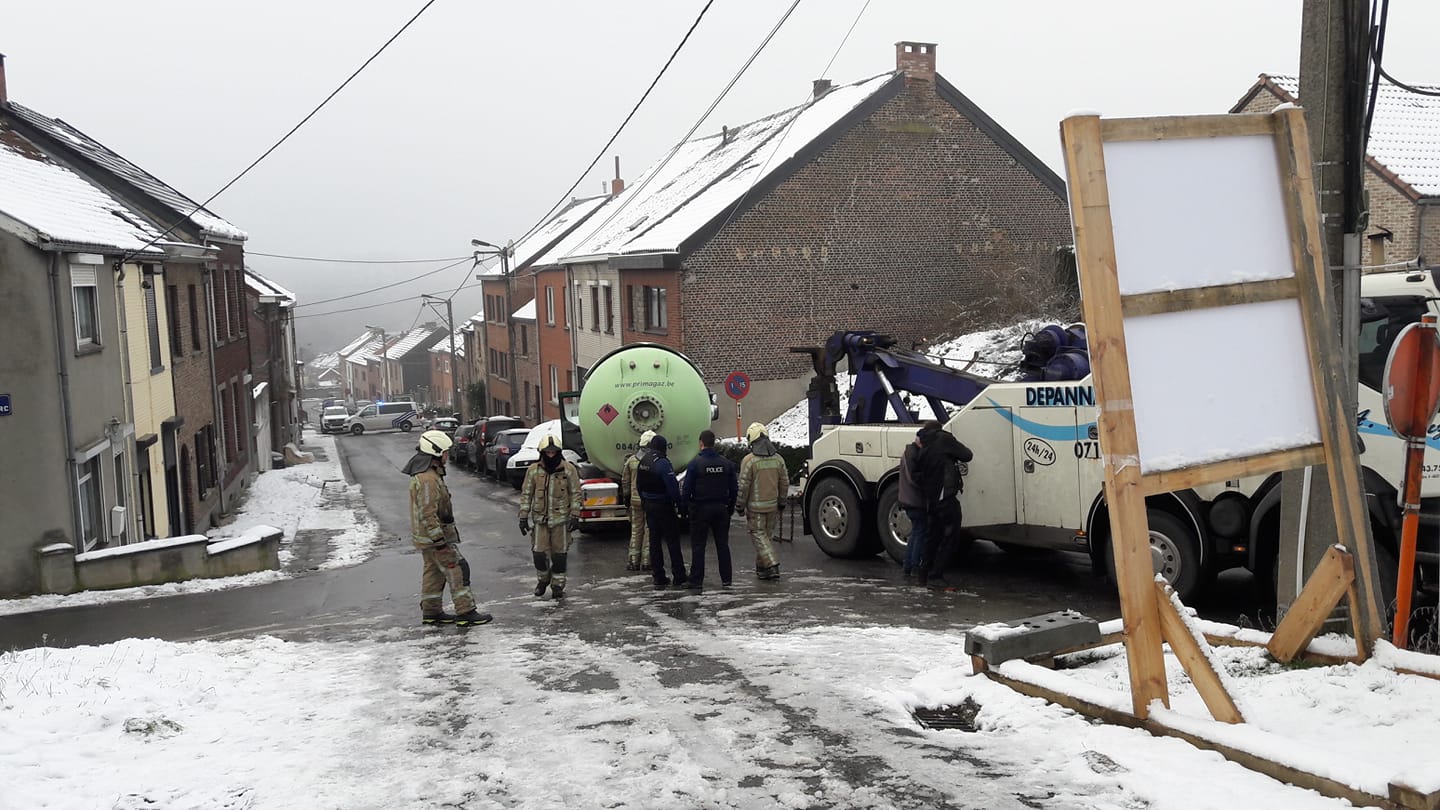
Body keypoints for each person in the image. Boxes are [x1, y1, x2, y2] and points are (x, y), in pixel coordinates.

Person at [405, 430, 492, 626]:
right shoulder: (428, 479)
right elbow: (427, 512)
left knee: (433, 573)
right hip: (436, 537)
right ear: (435, 453)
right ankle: (465, 612)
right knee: (457, 568)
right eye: (444, 452)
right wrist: (439, 541)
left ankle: (431, 612)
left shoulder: (427, 474)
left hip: (426, 538)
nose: (447, 456)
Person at [519, 434, 582, 599]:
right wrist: (523, 516)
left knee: (559, 555)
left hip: (561, 520)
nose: (551, 455)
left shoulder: (569, 470)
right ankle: (543, 580)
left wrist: (575, 515)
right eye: (548, 452)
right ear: (542, 452)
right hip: (540, 520)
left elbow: (576, 493)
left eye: (554, 452)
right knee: (538, 554)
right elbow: (526, 494)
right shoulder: (533, 471)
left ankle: (557, 585)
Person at [915, 419, 974, 589]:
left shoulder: (923, 444)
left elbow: (917, 473)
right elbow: (967, 455)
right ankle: (936, 576)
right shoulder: (944, 439)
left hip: (931, 499)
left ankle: (923, 575)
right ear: (939, 428)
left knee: (931, 536)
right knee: (951, 537)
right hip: (945, 497)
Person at [682, 429, 738, 590]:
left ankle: (696, 580)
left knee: (699, 546)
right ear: (714, 443)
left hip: (700, 509)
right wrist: (730, 506)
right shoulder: (726, 463)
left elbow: (686, 489)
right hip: (721, 508)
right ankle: (727, 580)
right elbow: (734, 488)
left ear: (701, 443)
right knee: (722, 545)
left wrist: (684, 509)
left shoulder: (695, 464)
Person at [736, 422, 788, 580]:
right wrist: (782, 502)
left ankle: (772, 565)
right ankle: (762, 568)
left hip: (755, 508)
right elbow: (784, 482)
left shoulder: (749, 461)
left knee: (759, 536)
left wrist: (740, 505)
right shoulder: (778, 459)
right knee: (766, 537)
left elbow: (743, 486)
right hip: (772, 507)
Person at [635, 433, 687, 590]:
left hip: (649, 505)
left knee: (654, 541)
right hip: (663, 505)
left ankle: (658, 575)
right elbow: (672, 487)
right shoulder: (662, 463)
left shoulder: (643, 461)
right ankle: (679, 575)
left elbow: (639, 485)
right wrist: (680, 505)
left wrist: (644, 501)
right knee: (672, 540)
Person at [620, 430, 657, 571]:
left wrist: (626, 498)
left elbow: (625, 481)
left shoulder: (631, 460)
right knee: (649, 530)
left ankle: (633, 561)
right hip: (650, 500)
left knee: (636, 530)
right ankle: (647, 561)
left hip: (635, 501)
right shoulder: (654, 461)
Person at [898, 433, 926, 579]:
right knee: (919, 533)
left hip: (908, 499)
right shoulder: (914, 455)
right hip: (915, 500)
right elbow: (915, 478)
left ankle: (908, 565)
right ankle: (914, 565)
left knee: (916, 532)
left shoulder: (908, 452)